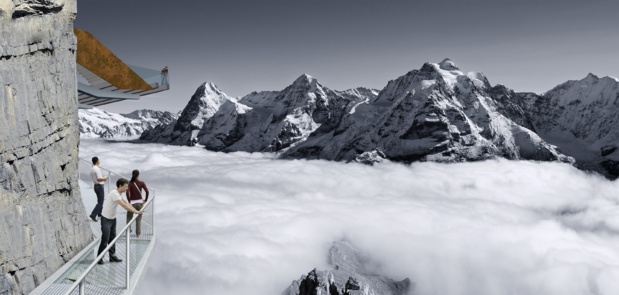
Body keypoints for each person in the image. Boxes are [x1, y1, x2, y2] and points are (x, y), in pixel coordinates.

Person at [97, 178, 143, 265]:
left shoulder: (119, 194)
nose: (127, 188)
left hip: (113, 219)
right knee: (105, 239)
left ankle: (112, 256)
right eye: (126, 186)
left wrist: (137, 211)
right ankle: (99, 258)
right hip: (106, 219)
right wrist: (136, 212)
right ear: (120, 186)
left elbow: (127, 204)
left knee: (113, 238)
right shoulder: (114, 193)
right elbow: (124, 206)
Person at [126, 169, 149, 238]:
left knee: (129, 218)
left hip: (132, 204)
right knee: (138, 219)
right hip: (140, 203)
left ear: (132, 174)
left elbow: (127, 193)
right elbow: (147, 192)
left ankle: (128, 232)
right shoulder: (142, 183)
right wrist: (145, 200)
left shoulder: (129, 183)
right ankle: (138, 234)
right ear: (138, 175)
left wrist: (129, 201)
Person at [89, 157, 108, 222]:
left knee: (100, 201)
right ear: (97, 161)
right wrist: (105, 178)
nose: (99, 161)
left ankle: (100, 214)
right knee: (100, 202)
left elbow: (95, 177)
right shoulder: (97, 169)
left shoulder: (92, 168)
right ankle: (93, 214)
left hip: (95, 186)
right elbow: (99, 179)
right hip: (99, 186)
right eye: (99, 160)